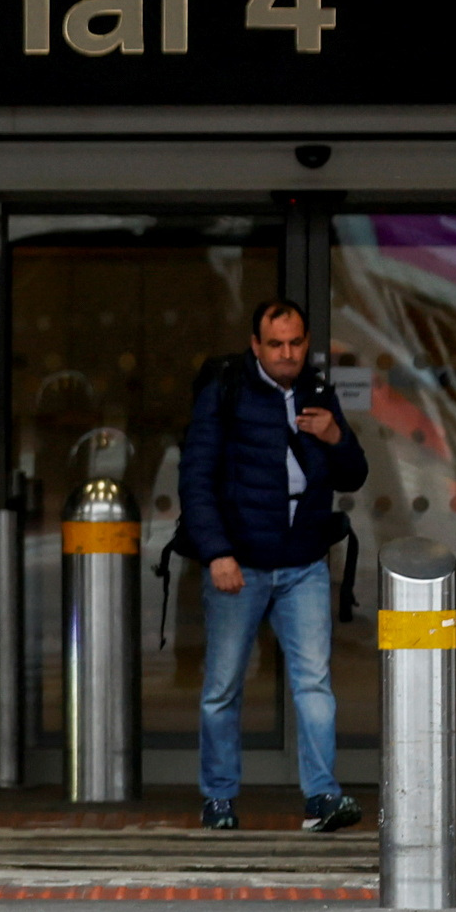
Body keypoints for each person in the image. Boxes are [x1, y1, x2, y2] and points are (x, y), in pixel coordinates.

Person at [179, 300, 368, 833]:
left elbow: (353, 475)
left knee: (315, 684)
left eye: (296, 343)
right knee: (223, 686)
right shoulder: (228, 390)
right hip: (239, 563)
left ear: (306, 343)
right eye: (276, 344)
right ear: (256, 345)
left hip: (303, 562)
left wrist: (337, 437)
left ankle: (321, 798)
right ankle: (218, 798)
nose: (287, 354)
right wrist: (217, 553)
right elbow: (196, 478)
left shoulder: (317, 393)